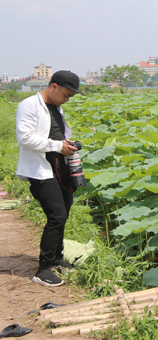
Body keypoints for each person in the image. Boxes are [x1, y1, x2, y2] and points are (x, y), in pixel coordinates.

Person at [15, 70, 84, 287]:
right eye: (66, 95)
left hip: (60, 167)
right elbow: (25, 137)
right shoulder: (29, 105)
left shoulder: (55, 107)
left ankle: (56, 256)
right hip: (40, 170)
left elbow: (55, 134)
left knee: (65, 211)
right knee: (56, 215)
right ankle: (43, 269)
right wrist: (57, 146)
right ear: (53, 86)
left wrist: (68, 143)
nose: (67, 100)